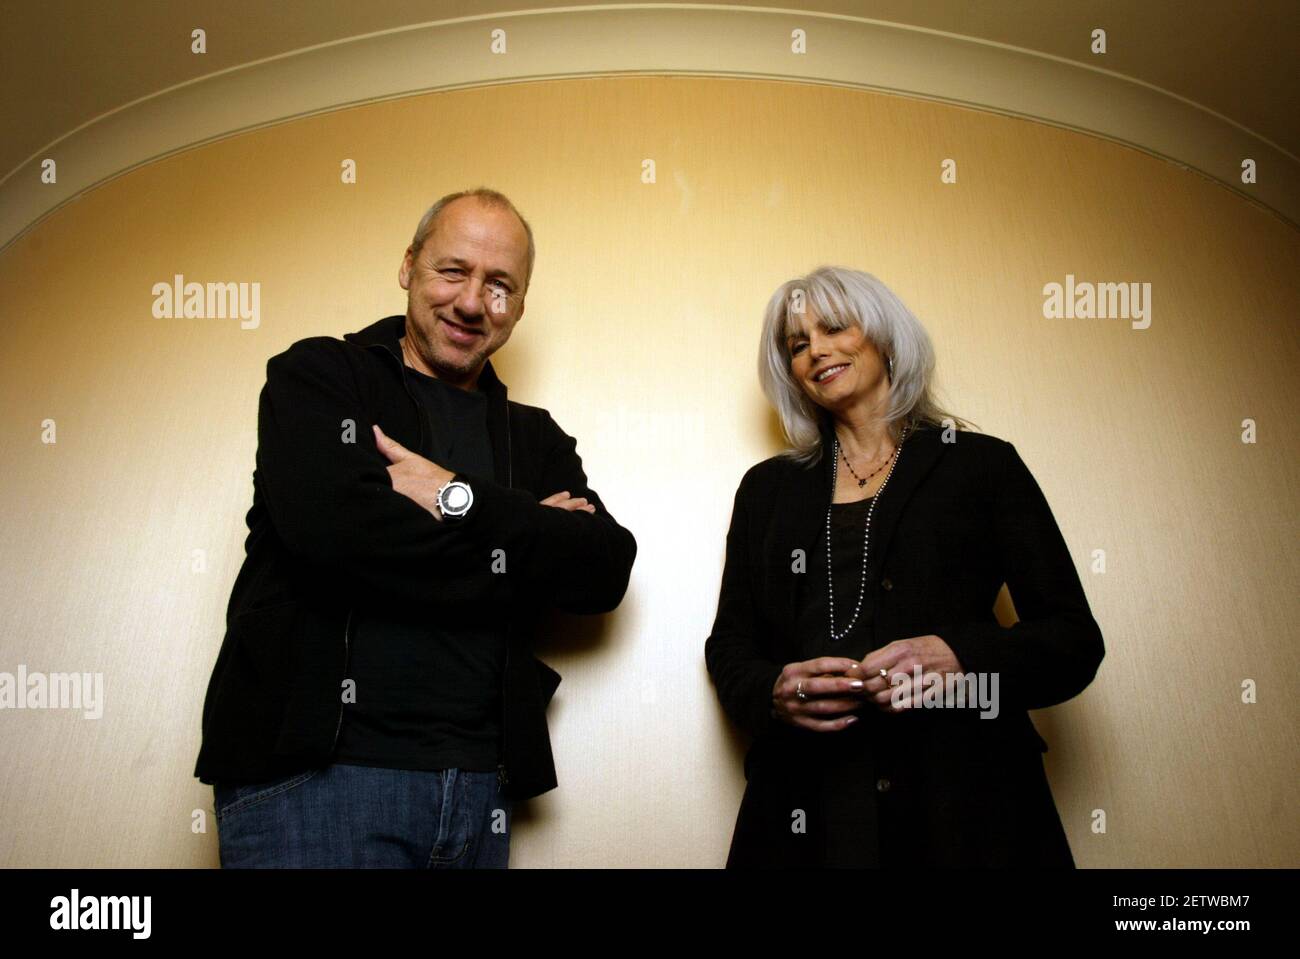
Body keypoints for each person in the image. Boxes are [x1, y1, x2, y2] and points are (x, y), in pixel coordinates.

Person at [194, 188, 637, 868]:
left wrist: (451, 495)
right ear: (409, 265)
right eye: (453, 270)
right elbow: (334, 532)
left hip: (482, 792)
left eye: (499, 286)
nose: (469, 302)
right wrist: (522, 540)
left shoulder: (535, 437)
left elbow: (602, 569)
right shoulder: (320, 376)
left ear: (518, 307)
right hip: (314, 784)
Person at [705, 266, 1104, 867]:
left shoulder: (982, 467)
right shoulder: (766, 490)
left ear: (885, 336)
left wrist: (961, 656)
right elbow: (730, 646)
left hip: (968, 805)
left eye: (834, 326)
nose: (816, 349)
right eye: (796, 343)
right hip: (805, 809)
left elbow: (1074, 640)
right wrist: (773, 690)